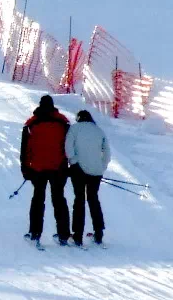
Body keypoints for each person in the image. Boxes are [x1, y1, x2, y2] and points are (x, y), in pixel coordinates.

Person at [19, 95, 72, 248]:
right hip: (58, 167)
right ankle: (63, 235)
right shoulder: (63, 122)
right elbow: (68, 145)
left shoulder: (31, 123)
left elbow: (24, 148)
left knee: (38, 200)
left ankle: (35, 234)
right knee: (59, 200)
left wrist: (25, 167)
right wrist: (67, 165)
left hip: (37, 167)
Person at [65, 109, 110, 246]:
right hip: (96, 171)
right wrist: (101, 167)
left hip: (78, 170)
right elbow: (107, 153)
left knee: (79, 200)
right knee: (93, 199)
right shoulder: (98, 130)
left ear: (78, 118)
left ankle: (77, 235)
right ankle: (98, 233)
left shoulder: (74, 129)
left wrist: (73, 162)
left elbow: (68, 148)